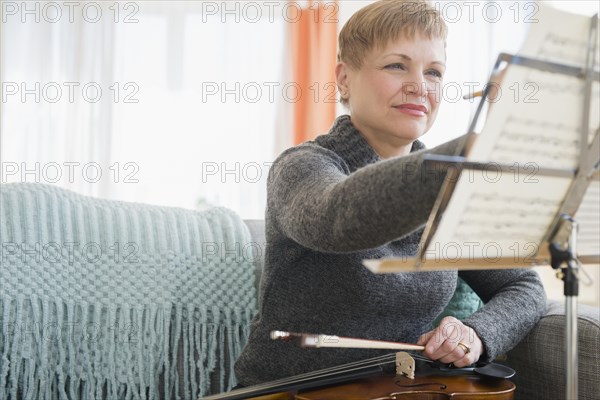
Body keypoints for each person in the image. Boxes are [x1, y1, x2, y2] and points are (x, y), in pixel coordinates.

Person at [234, 0, 546, 387]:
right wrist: (454, 162)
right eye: (397, 65)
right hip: (288, 392)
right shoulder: (300, 167)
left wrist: (475, 333)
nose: (419, 86)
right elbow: (338, 220)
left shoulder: (450, 187)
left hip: (396, 391)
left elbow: (523, 286)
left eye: (433, 72)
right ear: (345, 79)